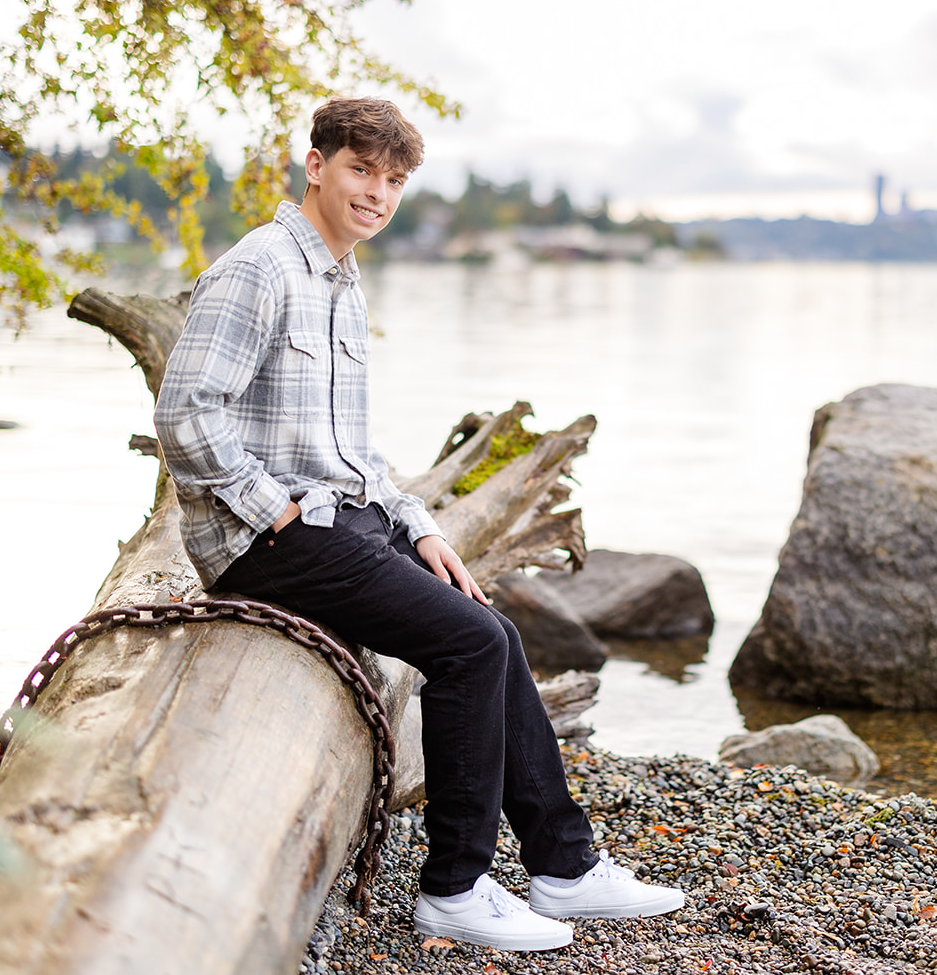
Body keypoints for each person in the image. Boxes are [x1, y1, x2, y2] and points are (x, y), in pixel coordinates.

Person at [152, 97, 683, 952]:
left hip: (341, 517)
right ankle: (455, 888)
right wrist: (269, 508)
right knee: (465, 646)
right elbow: (185, 411)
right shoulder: (261, 268)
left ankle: (564, 867)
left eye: (394, 180)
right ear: (317, 164)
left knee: (496, 631)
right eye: (363, 169)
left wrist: (418, 523)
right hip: (267, 540)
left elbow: (351, 449)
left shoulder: (342, 278)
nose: (378, 193)